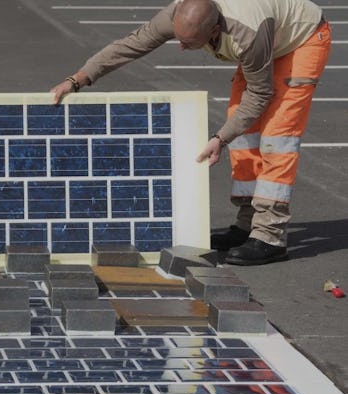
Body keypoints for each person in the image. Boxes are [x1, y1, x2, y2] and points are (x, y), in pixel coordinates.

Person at [51, 0, 330, 266]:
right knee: (243, 133)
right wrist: (77, 80)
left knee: (276, 139)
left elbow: (260, 94)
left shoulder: (247, 35)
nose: (182, 48)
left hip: (301, 40)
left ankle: (269, 235)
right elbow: (132, 44)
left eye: (190, 43)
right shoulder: (179, 12)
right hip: (265, 41)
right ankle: (247, 225)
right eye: (179, 38)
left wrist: (220, 138)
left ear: (214, 31)